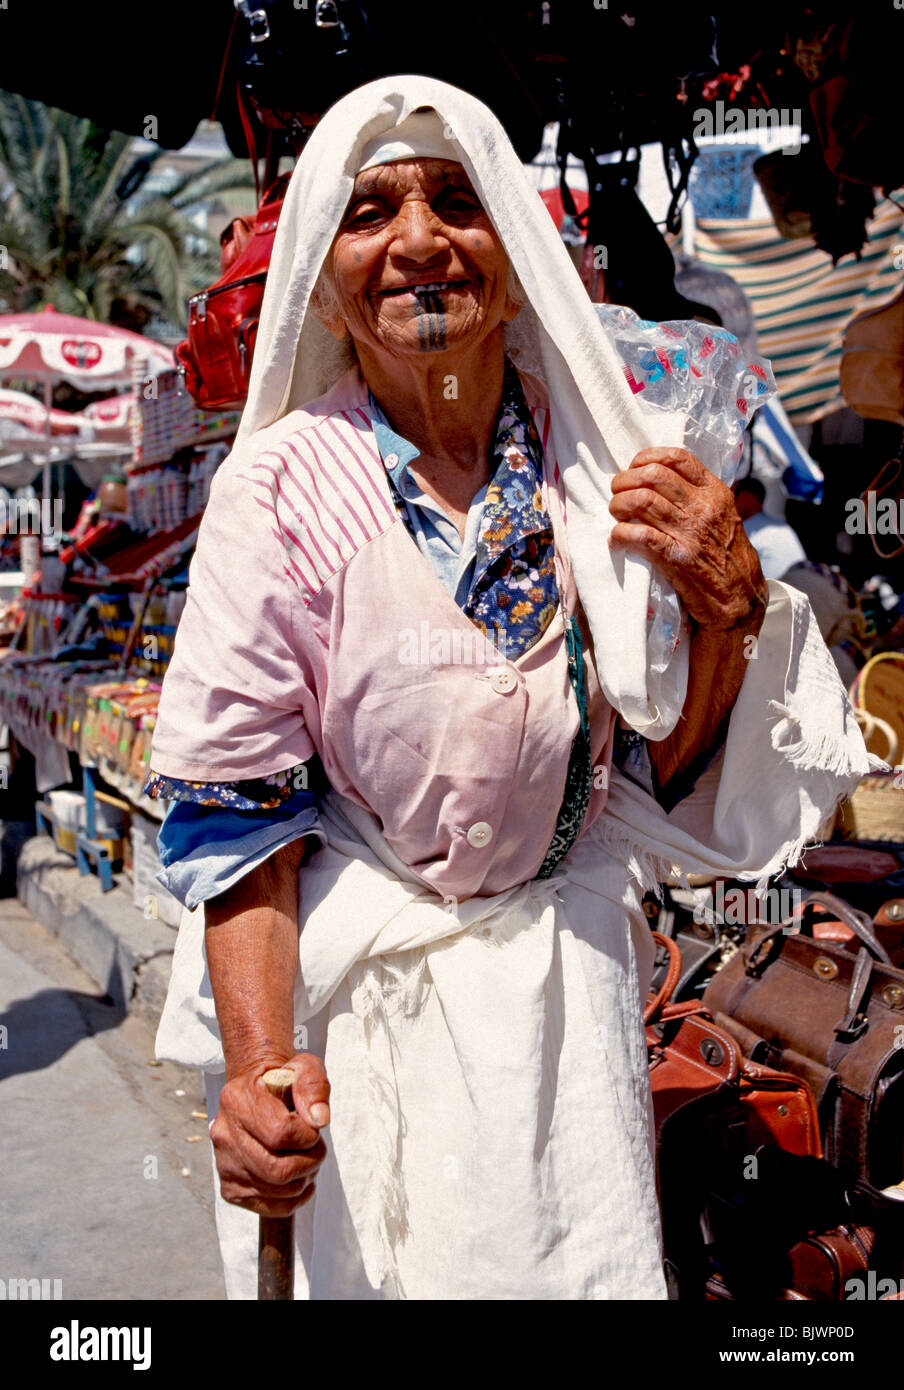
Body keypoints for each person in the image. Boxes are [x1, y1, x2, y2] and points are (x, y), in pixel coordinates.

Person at [145, 76, 870, 1301]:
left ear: (515, 249)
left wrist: (732, 609)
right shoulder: (276, 492)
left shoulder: (609, 464)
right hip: (368, 1025)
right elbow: (240, 817)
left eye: (457, 205)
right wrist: (259, 1074)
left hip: (563, 1013)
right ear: (324, 270)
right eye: (371, 211)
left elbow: (665, 776)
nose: (419, 242)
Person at [733, 476, 807, 580]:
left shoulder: (744, 530)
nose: (727, 501)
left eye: (732, 495)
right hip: (800, 591)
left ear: (748, 497)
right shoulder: (782, 526)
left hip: (773, 593)